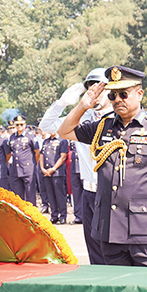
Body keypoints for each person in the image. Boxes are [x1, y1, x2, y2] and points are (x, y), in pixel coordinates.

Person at [58, 65, 147, 267]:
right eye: (112, 96)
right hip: (110, 229)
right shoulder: (103, 127)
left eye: (123, 94)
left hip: (146, 230)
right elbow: (64, 131)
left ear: (139, 94)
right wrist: (83, 106)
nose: (117, 100)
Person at [39, 67, 113, 264]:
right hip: (88, 192)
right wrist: (62, 103)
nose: (95, 94)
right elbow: (45, 126)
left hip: (111, 192)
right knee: (94, 250)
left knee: (113, 249)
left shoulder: (118, 119)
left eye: (100, 88)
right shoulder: (81, 119)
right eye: (90, 89)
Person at [6, 115, 39, 204]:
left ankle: (31, 215)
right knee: (18, 196)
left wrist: (33, 164)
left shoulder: (30, 136)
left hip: (28, 170)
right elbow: (10, 152)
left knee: (30, 195)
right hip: (16, 170)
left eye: (21, 124)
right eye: (17, 125)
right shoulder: (12, 137)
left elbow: (37, 152)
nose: (19, 127)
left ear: (25, 125)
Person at [39, 133, 69, 224]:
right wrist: (42, 168)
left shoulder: (62, 140)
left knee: (60, 195)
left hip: (57, 172)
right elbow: (41, 155)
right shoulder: (46, 141)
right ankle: (54, 215)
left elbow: (63, 157)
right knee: (50, 195)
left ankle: (63, 216)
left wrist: (53, 169)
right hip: (47, 173)